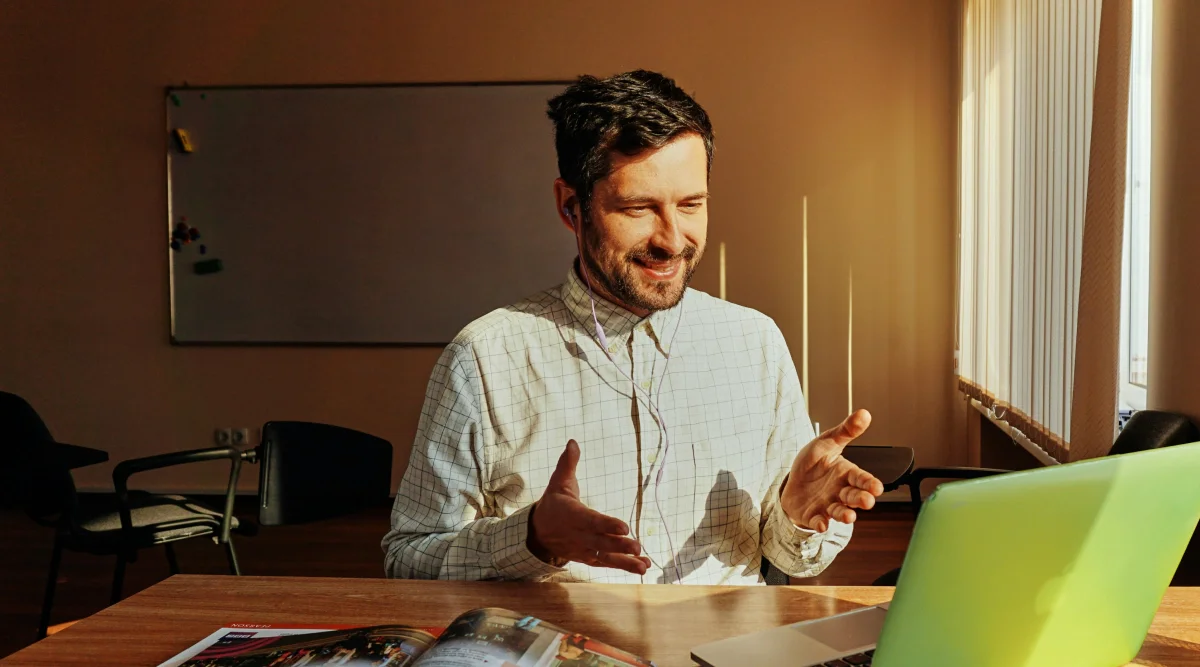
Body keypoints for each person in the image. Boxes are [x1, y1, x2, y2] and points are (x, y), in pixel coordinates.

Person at [382, 69, 883, 585]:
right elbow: (408, 558)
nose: (671, 239)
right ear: (571, 206)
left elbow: (793, 558)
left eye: (691, 205)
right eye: (638, 208)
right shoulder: (485, 359)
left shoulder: (755, 344)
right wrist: (531, 540)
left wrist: (796, 518)